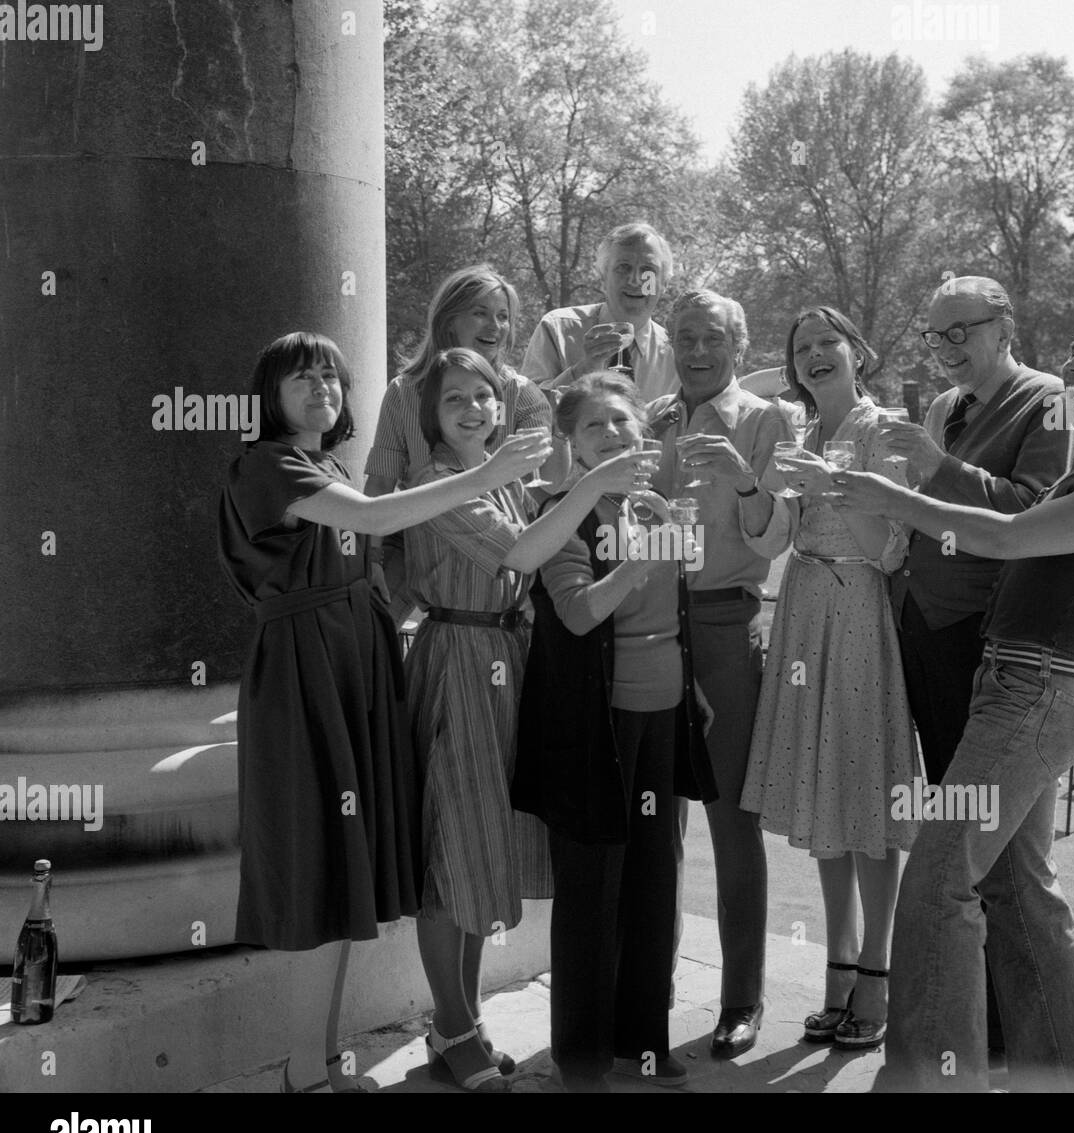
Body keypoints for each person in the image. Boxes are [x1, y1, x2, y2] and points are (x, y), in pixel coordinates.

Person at [794, 309, 1074, 1092]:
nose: (1072, 365)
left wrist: (892, 498)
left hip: (1034, 699)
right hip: (1012, 691)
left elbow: (1002, 537)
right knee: (1018, 891)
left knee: (939, 881)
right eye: (1072, 350)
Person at [218, 332, 550, 1093]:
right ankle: (303, 1069)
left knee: (342, 868)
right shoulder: (266, 465)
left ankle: (321, 1064)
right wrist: (487, 474)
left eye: (331, 376)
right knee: (311, 869)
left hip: (352, 671)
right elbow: (374, 520)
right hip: (304, 675)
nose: (321, 388)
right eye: (301, 378)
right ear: (269, 395)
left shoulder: (326, 463)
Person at [403, 348, 653, 1092]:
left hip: (506, 664)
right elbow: (525, 550)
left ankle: (464, 1025)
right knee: (451, 857)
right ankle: (450, 1026)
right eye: (456, 401)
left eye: (484, 396)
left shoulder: (504, 480)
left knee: (485, 856)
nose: (475, 410)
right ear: (431, 415)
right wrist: (592, 485)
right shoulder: (436, 481)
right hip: (459, 660)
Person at [878, 275, 1069, 1058]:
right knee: (962, 845)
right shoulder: (946, 410)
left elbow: (1035, 514)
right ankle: (979, 1026)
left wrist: (932, 468)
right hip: (927, 635)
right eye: (937, 335)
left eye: (964, 331)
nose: (950, 348)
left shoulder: (1051, 401)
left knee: (992, 854)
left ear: (1006, 325)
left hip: (992, 651)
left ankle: (1004, 1035)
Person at [512, 373, 718, 1092]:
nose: (614, 436)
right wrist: (645, 554)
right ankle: (582, 1060)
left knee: (653, 882)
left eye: (623, 425)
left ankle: (644, 1045)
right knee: (592, 892)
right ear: (571, 442)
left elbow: (675, 609)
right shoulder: (560, 514)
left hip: (661, 717)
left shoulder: (655, 504)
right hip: (593, 731)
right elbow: (576, 614)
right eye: (596, 426)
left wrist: (689, 689)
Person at [741, 307, 920, 1051]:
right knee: (825, 794)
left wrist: (835, 484)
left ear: (858, 353)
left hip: (857, 617)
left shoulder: (887, 432)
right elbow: (772, 538)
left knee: (867, 799)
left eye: (828, 343)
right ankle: (838, 966)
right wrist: (755, 481)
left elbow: (889, 551)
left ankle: (877, 970)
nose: (815, 355)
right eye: (802, 348)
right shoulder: (797, 433)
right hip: (803, 614)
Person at [645, 289, 795, 1058]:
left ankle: (742, 1000)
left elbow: (774, 539)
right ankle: (649, 985)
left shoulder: (768, 421)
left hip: (724, 626)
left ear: (739, 342)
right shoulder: (653, 418)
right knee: (653, 820)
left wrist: (742, 478)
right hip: (645, 625)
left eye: (712, 337)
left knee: (732, 820)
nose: (697, 350)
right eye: (684, 337)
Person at [364, 265, 557, 625]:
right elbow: (379, 486)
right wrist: (370, 561)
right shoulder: (403, 392)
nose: (495, 326)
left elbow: (543, 489)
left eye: (503, 317)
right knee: (365, 627)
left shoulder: (522, 393)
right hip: (412, 543)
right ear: (448, 320)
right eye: (480, 313)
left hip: (501, 540)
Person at [522, 222, 679, 405]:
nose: (636, 280)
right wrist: (584, 369)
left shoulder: (676, 354)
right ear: (603, 276)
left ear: (665, 283)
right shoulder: (557, 329)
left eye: (647, 271)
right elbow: (525, 410)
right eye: (624, 267)